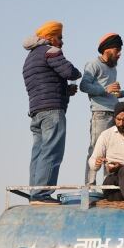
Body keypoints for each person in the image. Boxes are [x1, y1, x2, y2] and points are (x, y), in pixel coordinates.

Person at [22, 20, 82, 205]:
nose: (62, 42)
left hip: (36, 111)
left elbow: (44, 83)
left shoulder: (30, 58)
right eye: (60, 37)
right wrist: (79, 74)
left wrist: (65, 91)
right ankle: (42, 194)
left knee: (38, 153)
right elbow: (70, 72)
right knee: (52, 151)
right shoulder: (50, 51)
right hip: (52, 112)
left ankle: (35, 193)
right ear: (49, 37)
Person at [80, 32, 124, 184]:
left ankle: (107, 185)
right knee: (96, 150)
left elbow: (111, 92)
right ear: (108, 49)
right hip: (100, 113)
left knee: (112, 151)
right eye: (117, 50)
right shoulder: (93, 64)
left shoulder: (113, 69)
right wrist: (104, 89)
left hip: (114, 114)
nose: (119, 54)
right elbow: (84, 85)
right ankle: (90, 186)